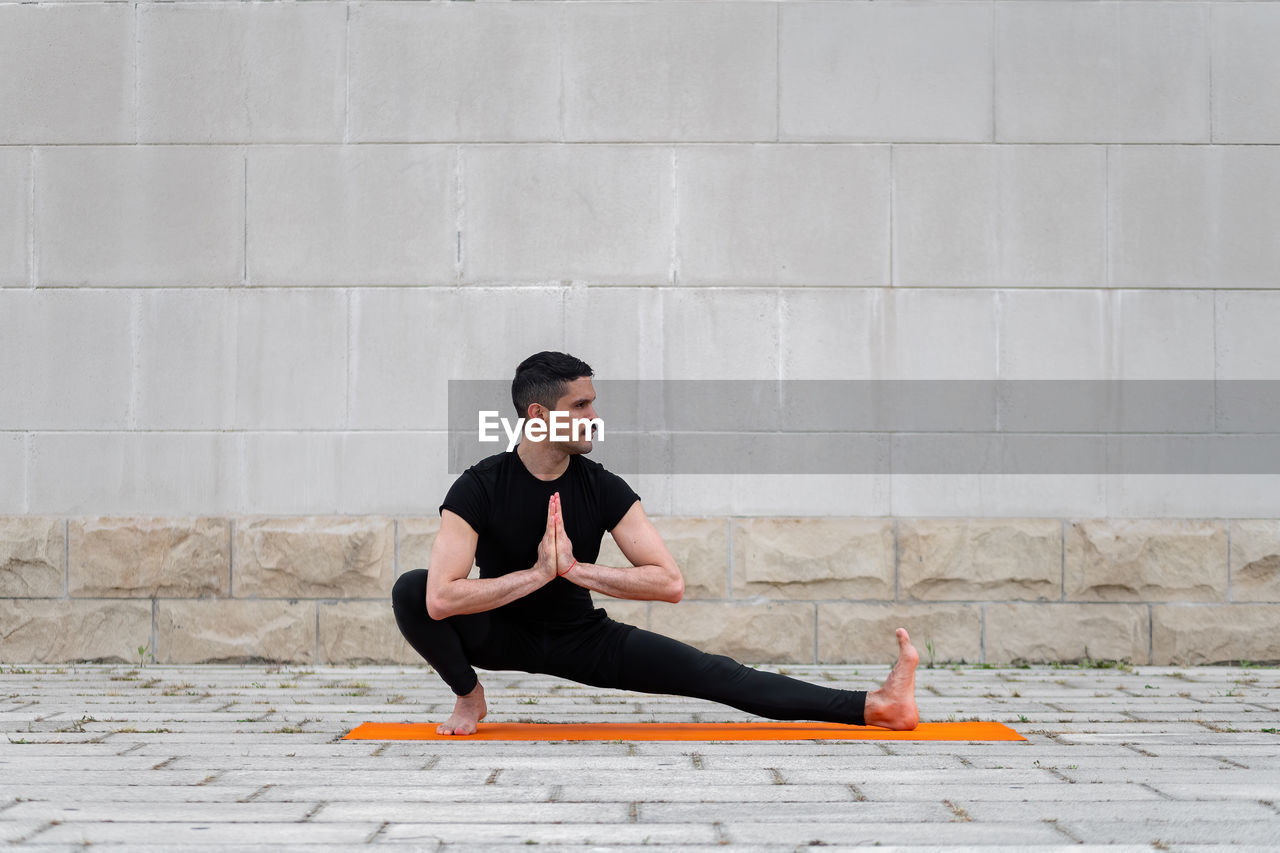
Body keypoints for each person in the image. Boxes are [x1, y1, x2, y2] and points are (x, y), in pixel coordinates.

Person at [392, 351, 919, 735]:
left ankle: (877, 706)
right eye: (580, 406)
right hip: (498, 633)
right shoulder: (479, 486)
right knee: (411, 589)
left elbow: (669, 583)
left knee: (720, 675)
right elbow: (441, 598)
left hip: (582, 639)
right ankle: (469, 696)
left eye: (592, 404)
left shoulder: (602, 487)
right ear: (537, 415)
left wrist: (575, 572)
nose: (593, 418)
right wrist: (535, 574)